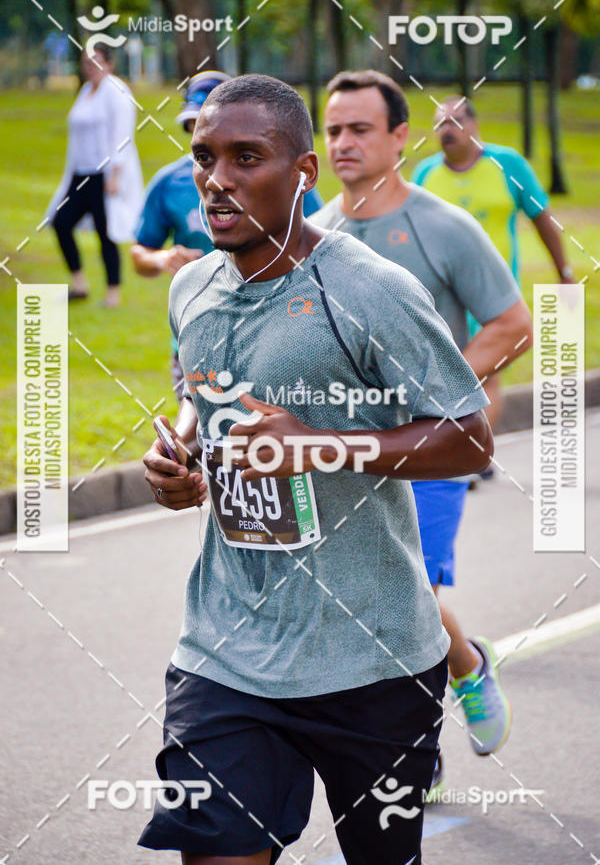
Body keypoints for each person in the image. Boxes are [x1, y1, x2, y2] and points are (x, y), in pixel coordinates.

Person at [139, 74, 494, 865]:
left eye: (245, 157)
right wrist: (181, 456)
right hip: (227, 651)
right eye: (204, 157)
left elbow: (469, 438)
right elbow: (204, 390)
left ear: (303, 172)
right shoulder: (192, 287)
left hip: (372, 658)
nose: (217, 178)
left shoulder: (369, 290)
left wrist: (323, 443)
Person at [309, 70, 533, 796]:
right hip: (343, 457)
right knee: (365, 605)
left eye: (360, 129)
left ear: (401, 137)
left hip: (432, 448)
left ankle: (441, 712)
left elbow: (512, 324)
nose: (343, 142)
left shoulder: (444, 227)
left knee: (410, 587)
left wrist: (439, 388)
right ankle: (455, 677)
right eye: (334, 129)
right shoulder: (315, 231)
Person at [131, 71, 324, 398]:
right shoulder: (170, 182)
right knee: (204, 429)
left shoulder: (278, 175)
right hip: (197, 335)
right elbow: (139, 253)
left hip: (277, 329)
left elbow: (318, 233)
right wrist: (162, 258)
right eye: (195, 123)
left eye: (244, 155)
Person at [412, 96, 574, 433]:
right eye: (440, 123)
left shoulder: (508, 165)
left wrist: (564, 272)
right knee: (445, 371)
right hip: (438, 294)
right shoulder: (425, 173)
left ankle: (477, 456)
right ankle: (457, 450)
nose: (448, 129)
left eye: (456, 121)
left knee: (488, 370)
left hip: (491, 291)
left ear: (474, 125)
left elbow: (542, 219)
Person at [47, 43, 143, 307]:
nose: (90, 67)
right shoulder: (86, 91)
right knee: (61, 222)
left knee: (106, 233)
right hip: (80, 174)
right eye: (86, 62)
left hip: (105, 175)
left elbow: (123, 135)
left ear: (109, 63)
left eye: (96, 61)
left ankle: (113, 293)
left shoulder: (116, 90)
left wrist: (115, 173)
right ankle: (79, 283)